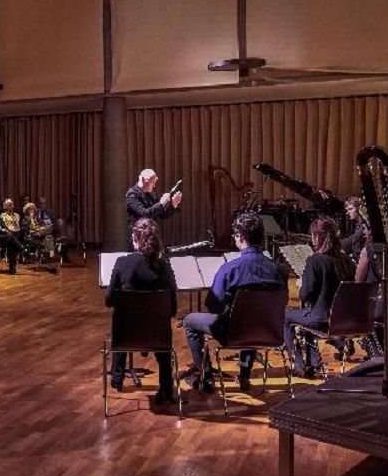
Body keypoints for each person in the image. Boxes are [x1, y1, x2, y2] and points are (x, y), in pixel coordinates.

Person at [182, 212, 284, 392]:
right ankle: (244, 377)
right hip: (270, 331)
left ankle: (205, 376)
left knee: (189, 321)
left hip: (234, 333)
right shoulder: (277, 269)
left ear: (241, 237)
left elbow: (213, 306)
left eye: (235, 235)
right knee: (253, 318)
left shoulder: (230, 269)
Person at [105, 218, 178, 403]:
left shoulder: (122, 263)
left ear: (135, 239)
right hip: (158, 336)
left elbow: (109, 301)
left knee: (123, 320)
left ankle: (117, 377)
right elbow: (173, 309)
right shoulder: (164, 266)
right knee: (160, 330)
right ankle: (167, 388)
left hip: (126, 336)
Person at [283, 217, 355, 378]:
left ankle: (298, 364)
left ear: (317, 237)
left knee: (285, 315)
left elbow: (305, 295)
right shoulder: (346, 261)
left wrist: (301, 284)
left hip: (322, 320)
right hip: (344, 320)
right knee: (307, 315)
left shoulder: (315, 261)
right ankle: (314, 364)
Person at [126, 169, 182, 247]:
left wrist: (173, 205)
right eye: (152, 182)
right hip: (138, 237)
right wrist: (161, 203)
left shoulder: (151, 194)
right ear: (143, 180)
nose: (154, 185)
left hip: (151, 236)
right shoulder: (132, 194)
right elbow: (144, 214)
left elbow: (162, 215)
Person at [21, 202, 57, 273]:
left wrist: (42, 228)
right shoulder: (25, 219)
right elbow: (27, 230)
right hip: (33, 236)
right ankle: (50, 258)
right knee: (49, 235)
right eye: (30, 209)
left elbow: (42, 226)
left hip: (41, 235)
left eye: (33, 209)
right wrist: (31, 220)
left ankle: (49, 258)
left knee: (49, 236)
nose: (32, 211)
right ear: (27, 211)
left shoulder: (37, 218)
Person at [340, 196, 367, 263]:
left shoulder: (364, 226)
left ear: (359, 209)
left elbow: (351, 240)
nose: (347, 213)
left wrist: (334, 242)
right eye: (347, 210)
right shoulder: (357, 224)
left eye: (351, 209)